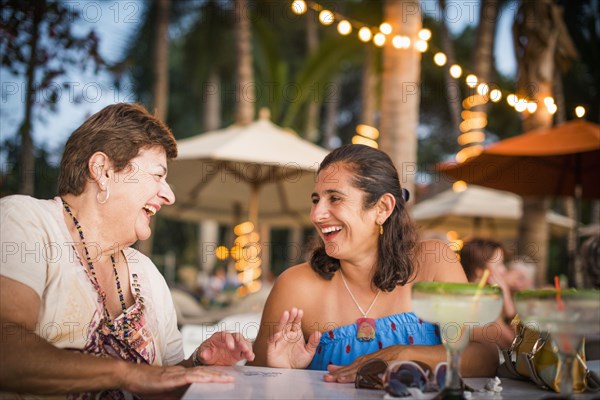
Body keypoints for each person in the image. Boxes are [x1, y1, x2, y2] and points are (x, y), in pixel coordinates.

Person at [0, 103, 254, 399]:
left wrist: (198, 363)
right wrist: (125, 372)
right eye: (158, 176)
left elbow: (163, 380)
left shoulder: (146, 273)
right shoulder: (26, 221)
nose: (169, 195)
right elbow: (7, 351)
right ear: (103, 170)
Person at [249, 144, 499, 382]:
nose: (316, 214)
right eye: (316, 200)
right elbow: (253, 380)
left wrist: (403, 355)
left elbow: (484, 357)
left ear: (382, 208)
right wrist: (280, 373)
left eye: (334, 198)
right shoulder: (295, 286)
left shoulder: (434, 262)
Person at [459, 238, 515, 349]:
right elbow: (514, 343)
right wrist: (507, 299)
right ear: (480, 270)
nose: (504, 270)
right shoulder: (479, 301)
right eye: (499, 264)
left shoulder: (467, 294)